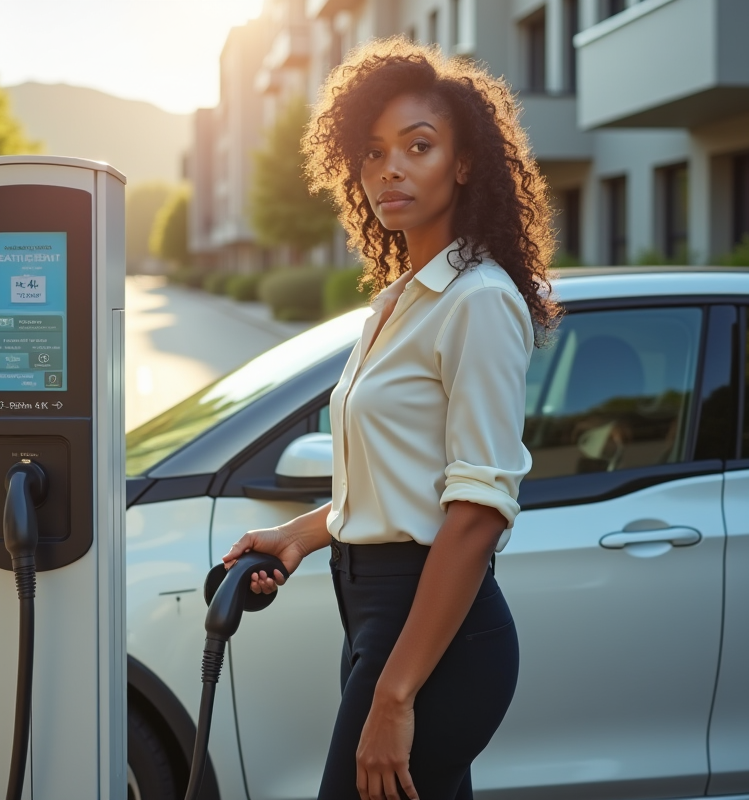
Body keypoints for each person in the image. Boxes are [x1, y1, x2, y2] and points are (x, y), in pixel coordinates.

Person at [222, 37, 560, 800]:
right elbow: (395, 484)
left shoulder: (478, 300)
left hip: (437, 631)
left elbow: (474, 511)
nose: (391, 170)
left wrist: (395, 694)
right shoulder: (398, 302)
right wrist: (301, 535)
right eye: (373, 153)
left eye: (418, 146)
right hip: (378, 615)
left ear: (463, 162)